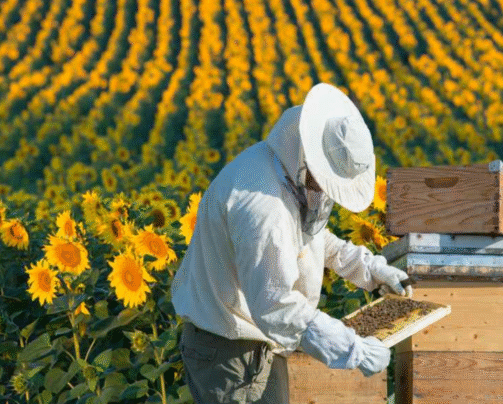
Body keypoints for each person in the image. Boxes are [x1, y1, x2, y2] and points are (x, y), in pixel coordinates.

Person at [171, 83, 413, 403]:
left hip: (250, 343)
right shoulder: (264, 207)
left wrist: (370, 270)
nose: (325, 191)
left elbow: (309, 239)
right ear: (311, 158)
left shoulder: (278, 169)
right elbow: (275, 304)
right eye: (326, 181)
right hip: (230, 353)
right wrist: (352, 349)